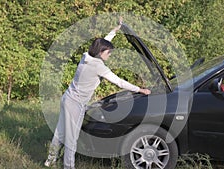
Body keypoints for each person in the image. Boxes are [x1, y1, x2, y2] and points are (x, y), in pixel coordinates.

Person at [44, 17, 151, 169]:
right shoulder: (98, 66)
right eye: (109, 52)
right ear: (101, 52)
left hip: (67, 98)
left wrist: (115, 30)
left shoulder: (86, 56)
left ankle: (50, 161)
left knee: (60, 133)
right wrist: (141, 89)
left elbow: (101, 42)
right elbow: (119, 82)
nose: (110, 55)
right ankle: (68, 166)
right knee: (71, 139)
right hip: (75, 104)